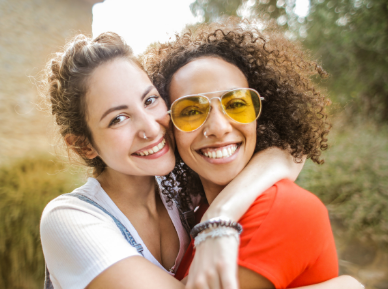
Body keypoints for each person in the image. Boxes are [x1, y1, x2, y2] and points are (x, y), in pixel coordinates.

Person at [40, 31, 362, 289]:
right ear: (84, 146)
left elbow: (291, 153)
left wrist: (220, 216)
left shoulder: (184, 194)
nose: (151, 128)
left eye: (151, 101)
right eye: (118, 119)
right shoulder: (70, 219)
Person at [144, 21, 353, 289]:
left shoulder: (280, 209)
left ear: (260, 116)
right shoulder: (198, 212)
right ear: (169, 128)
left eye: (237, 104)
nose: (219, 128)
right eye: (192, 111)